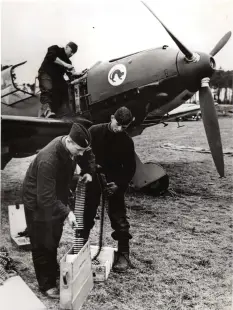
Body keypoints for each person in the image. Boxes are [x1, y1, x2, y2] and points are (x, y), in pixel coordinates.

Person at [22, 123, 95, 299]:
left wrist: (88, 171)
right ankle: (46, 284)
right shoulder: (48, 159)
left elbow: (88, 153)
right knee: (41, 243)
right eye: (78, 150)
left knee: (53, 238)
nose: (81, 154)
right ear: (69, 141)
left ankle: (51, 269)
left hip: (56, 195)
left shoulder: (73, 146)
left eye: (83, 150)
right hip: (37, 203)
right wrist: (67, 212)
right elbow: (45, 199)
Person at [84, 107, 136, 273]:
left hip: (114, 181)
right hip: (93, 178)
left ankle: (123, 254)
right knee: (86, 214)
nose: (119, 129)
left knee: (119, 217)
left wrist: (118, 185)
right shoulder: (94, 131)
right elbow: (83, 155)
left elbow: (129, 168)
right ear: (112, 117)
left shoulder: (127, 141)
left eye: (124, 127)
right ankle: (80, 249)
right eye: (117, 124)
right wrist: (91, 169)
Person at [38, 42, 78, 118]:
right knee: (47, 89)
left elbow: (71, 75)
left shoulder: (68, 62)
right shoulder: (55, 49)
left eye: (73, 53)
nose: (72, 54)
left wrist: (76, 74)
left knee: (65, 87)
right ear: (67, 47)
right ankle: (46, 110)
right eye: (71, 51)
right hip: (46, 73)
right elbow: (51, 57)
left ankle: (64, 111)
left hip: (57, 78)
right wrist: (65, 65)